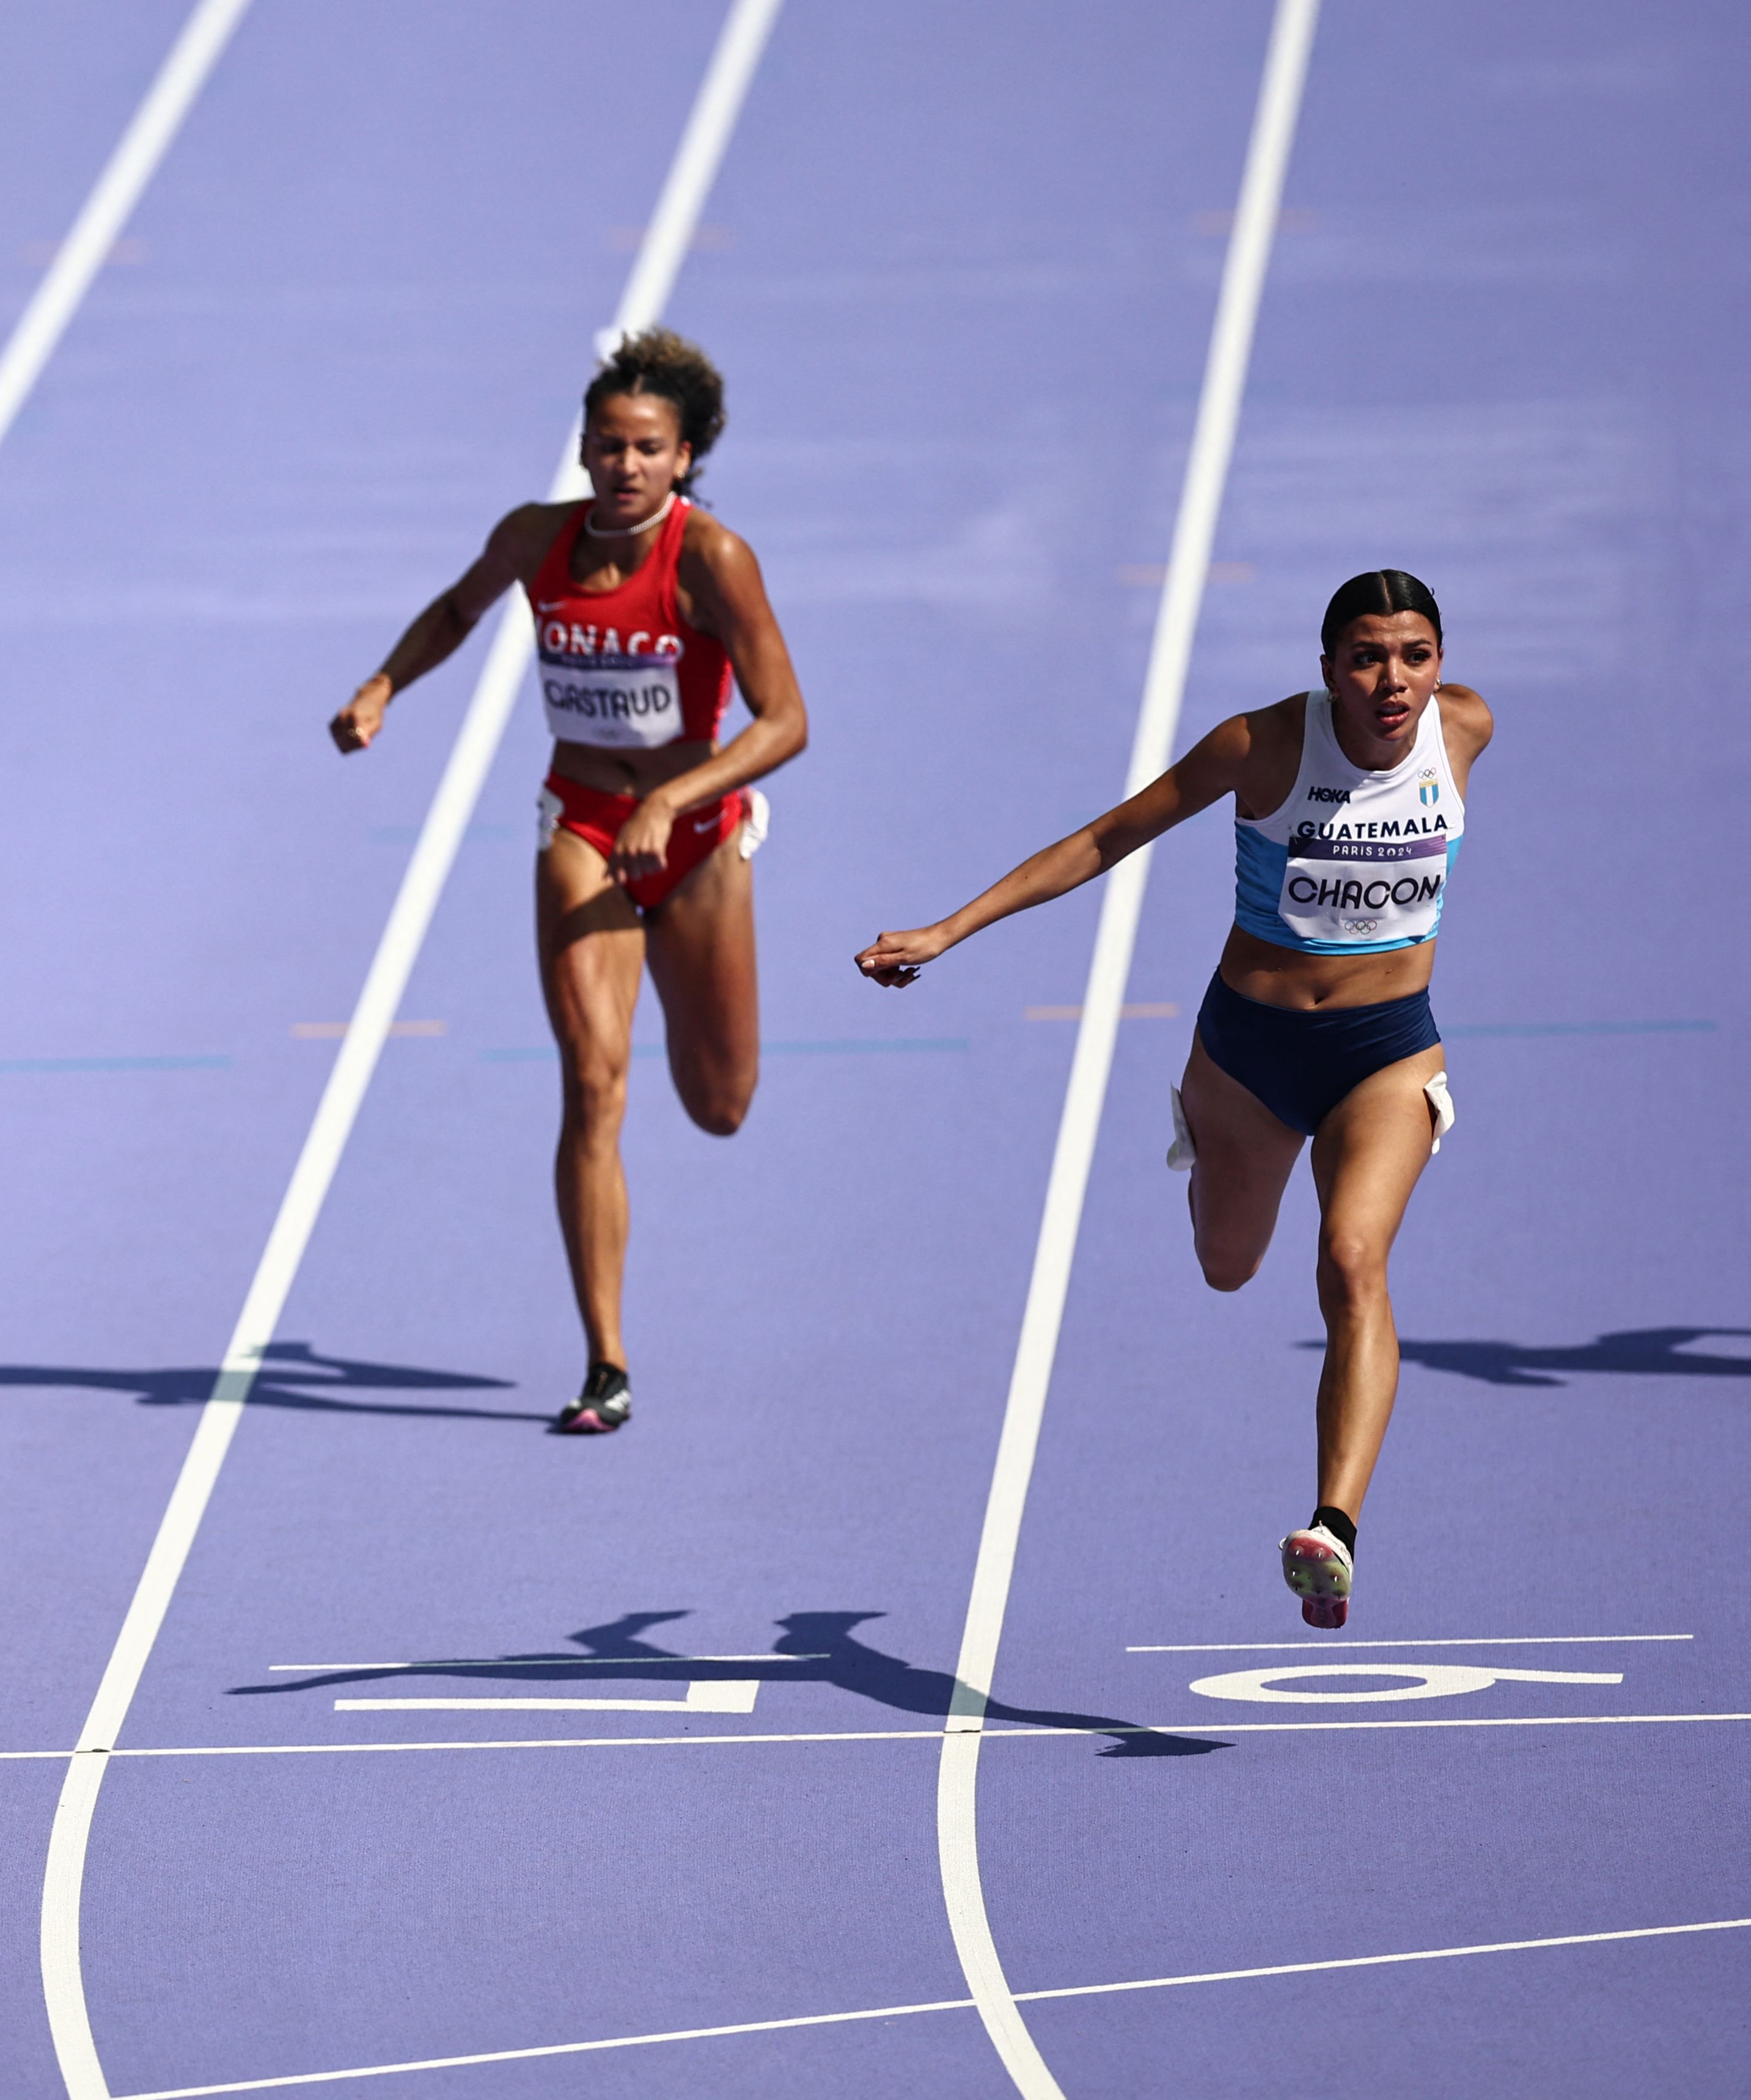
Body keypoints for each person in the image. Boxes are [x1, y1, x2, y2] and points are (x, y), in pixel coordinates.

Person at [856, 571, 1487, 1629]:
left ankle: (1332, 1528)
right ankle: (1208, 1144)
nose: (1393, 680)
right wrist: (945, 931)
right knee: (1227, 1267)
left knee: (1351, 1261)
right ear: (1326, 665)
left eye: (1414, 655)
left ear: (1440, 663)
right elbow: (1102, 841)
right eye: (1367, 657)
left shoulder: (1462, 729)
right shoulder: (1260, 747)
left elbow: (1442, 715)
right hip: (1247, 1052)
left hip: (1385, 1049)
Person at [331, 330, 810, 1434]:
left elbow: (785, 721)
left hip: (692, 834)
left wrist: (671, 801)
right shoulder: (536, 538)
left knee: (719, 1105)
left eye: (645, 448)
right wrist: (382, 684)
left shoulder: (711, 560)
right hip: (582, 824)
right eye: (605, 446)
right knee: (592, 1084)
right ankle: (605, 1361)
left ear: (684, 456)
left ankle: (614, 1334)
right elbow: (458, 609)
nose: (623, 466)